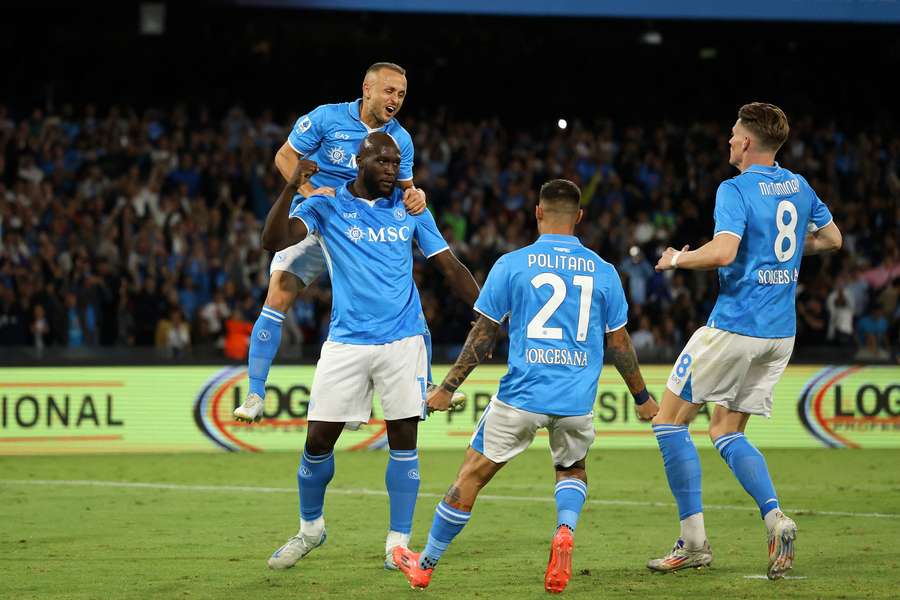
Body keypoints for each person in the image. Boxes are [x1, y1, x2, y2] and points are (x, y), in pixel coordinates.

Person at [392, 179, 660, 593]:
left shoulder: (512, 264)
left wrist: (446, 387)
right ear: (579, 217)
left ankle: (425, 564)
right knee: (572, 468)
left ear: (537, 212)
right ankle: (565, 530)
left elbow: (483, 336)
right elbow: (619, 343)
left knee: (471, 477)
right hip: (575, 400)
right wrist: (642, 398)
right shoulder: (604, 272)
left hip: (521, 395)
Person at [261, 132, 480, 572]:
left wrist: (484, 313)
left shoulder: (411, 208)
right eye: (383, 162)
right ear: (361, 160)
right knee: (318, 441)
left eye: (397, 164)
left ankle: (397, 543)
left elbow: (448, 264)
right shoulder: (325, 205)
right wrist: (290, 187)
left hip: (403, 340)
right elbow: (274, 240)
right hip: (346, 341)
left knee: (404, 441)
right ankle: (310, 530)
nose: (392, 170)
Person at [649, 103, 842, 579]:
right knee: (725, 430)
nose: (729, 141)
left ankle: (693, 543)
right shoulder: (799, 187)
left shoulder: (734, 189)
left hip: (735, 325)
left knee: (669, 422)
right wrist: (793, 249)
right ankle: (776, 519)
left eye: (734, 134)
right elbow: (833, 239)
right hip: (779, 334)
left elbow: (724, 251)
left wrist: (676, 259)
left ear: (749, 142)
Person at [233, 62, 430, 423]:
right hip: (318, 215)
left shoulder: (399, 138)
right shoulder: (327, 118)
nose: (396, 100)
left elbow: (405, 189)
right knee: (278, 294)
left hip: (360, 229)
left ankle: (424, 385)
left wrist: (417, 196)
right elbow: (284, 156)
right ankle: (255, 393)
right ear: (366, 89)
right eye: (389, 91)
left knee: (398, 296)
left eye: (401, 94)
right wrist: (309, 191)